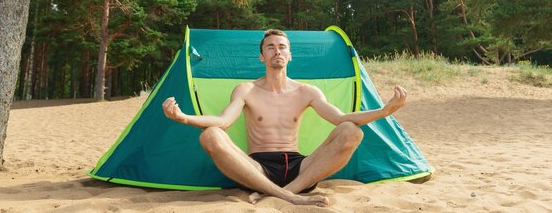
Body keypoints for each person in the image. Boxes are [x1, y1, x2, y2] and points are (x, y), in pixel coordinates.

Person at [162, 29, 407, 207]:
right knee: (211, 135)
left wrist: (384, 111)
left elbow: (341, 117)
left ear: (290, 55)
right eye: (270, 47)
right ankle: (288, 197)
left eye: (282, 47)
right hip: (257, 169)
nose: (276, 51)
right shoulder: (246, 89)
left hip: (301, 169)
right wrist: (184, 118)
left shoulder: (306, 91)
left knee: (352, 131)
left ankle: (283, 193)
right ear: (262, 57)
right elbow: (223, 121)